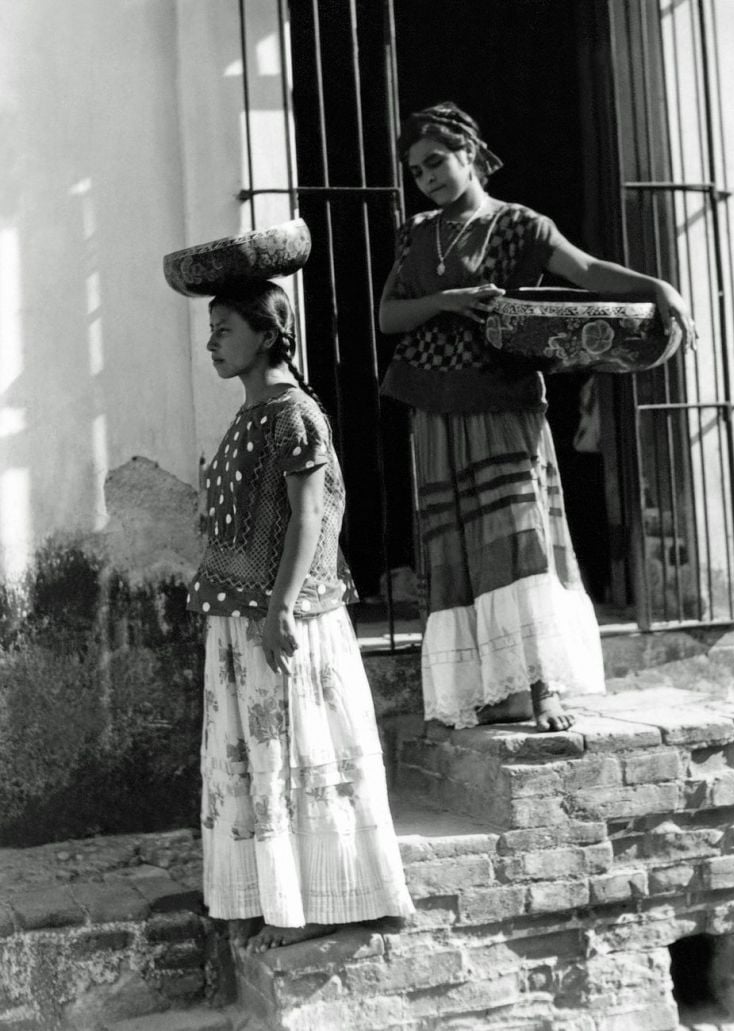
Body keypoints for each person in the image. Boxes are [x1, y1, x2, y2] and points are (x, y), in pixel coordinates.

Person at [378, 102, 695, 734]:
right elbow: (388, 317)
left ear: (470, 154)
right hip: (434, 407)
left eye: (436, 161)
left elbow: (586, 271)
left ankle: (543, 687)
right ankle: (487, 690)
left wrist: (659, 289)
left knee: (519, 538)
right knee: (460, 544)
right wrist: (446, 300)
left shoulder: (521, 226)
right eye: (416, 171)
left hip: (502, 400)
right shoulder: (417, 232)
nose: (428, 178)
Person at [188, 281, 413, 952]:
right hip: (242, 612)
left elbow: (310, 517)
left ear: (265, 334)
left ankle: (330, 901)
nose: (212, 342)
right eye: (211, 329)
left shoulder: (293, 414)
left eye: (224, 328)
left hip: (285, 618)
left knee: (300, 755)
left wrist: (281, 607)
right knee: (259, 761)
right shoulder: (252, 413)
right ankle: (273, 895)